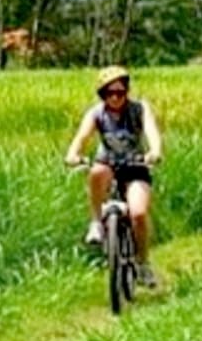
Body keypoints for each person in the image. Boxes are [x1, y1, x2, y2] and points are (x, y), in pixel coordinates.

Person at [64, 66, 164, 287]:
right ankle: (96, 223)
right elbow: (81, 138)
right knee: (97, 171)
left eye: (121, 92)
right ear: (103, 95)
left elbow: (152, 132)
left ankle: (143, 263)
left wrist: (154, 152)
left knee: (138, 214)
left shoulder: (139, 109)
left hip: (135, 166)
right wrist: (73, 155)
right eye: (110, 93)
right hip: (107, 163)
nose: (116, 97)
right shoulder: (96, 114)